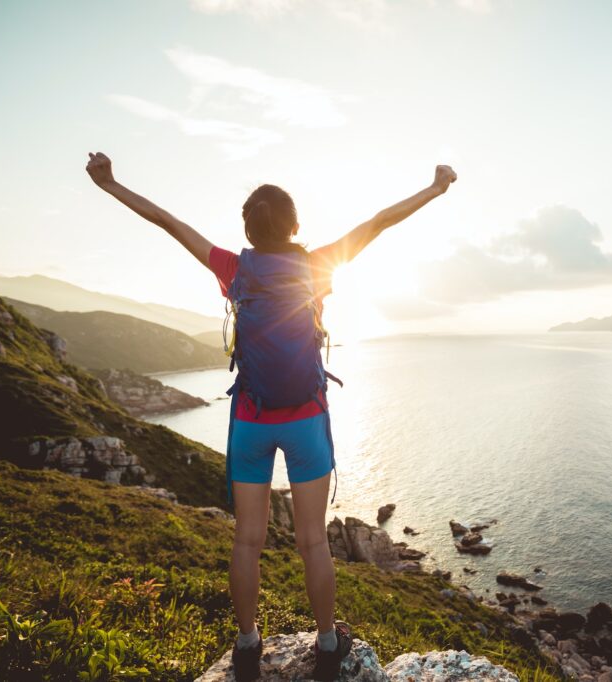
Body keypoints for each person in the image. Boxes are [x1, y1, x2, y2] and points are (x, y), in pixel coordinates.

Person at [85, 152, 457, 681]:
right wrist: (436, 187)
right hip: (306, 418)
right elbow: (378, 222)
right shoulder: (317, 265)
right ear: (295, 226)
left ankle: (246, 644)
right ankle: (328, 644)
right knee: (312, 541)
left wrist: (110, 184)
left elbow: (166, 221)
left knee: (247, 540)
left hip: (252, 419)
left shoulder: (231, 268)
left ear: (247, 231)